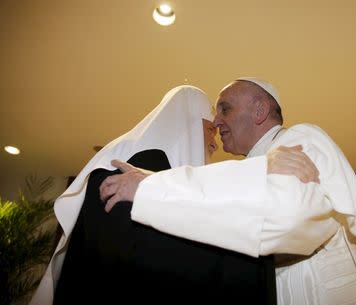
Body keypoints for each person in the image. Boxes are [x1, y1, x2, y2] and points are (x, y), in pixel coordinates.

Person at [100, 77, 356, 305]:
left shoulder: (299, 138)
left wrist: (153, 188)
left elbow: (286, 217)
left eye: (225, 108)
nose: (215, 122)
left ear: (260, 110)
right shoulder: (260, 165)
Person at [29, 84, 317, 305]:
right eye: (209, 131)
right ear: (186, 124)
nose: (214, 144)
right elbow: (163, 269)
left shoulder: (163, 184)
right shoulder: (125, 176)